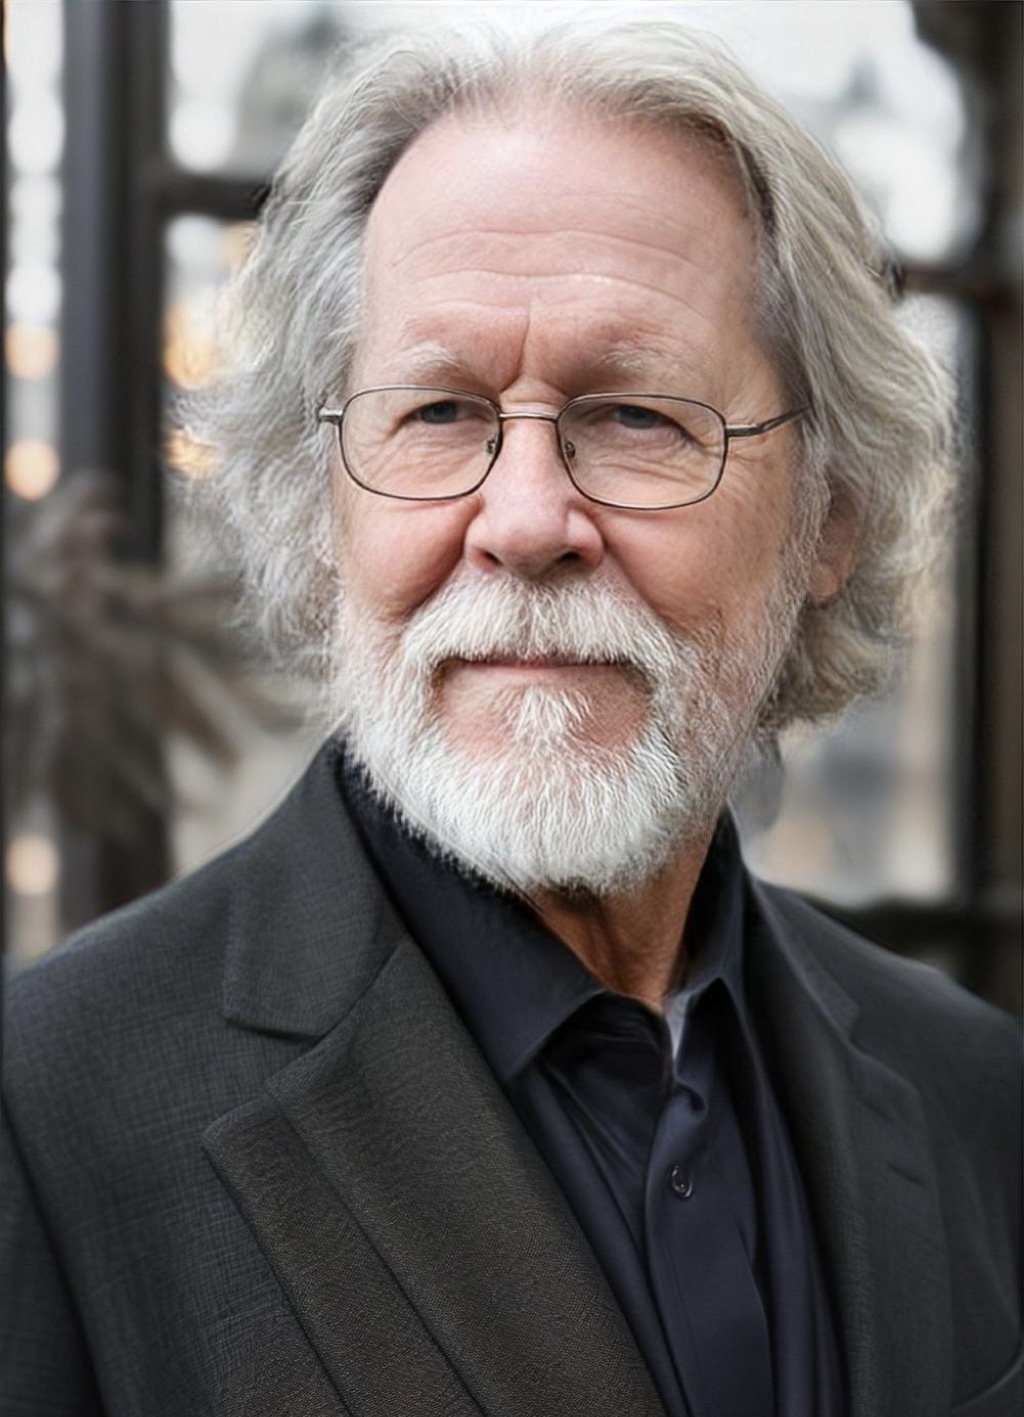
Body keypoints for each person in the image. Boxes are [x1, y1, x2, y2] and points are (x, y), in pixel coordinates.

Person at [1, 17, 1019, 1417]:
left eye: (637, 417)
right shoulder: (46, 1116)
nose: (527, 520)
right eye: (436, 413)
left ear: (829, 518)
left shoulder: (972, 1087)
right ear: (322, 502)